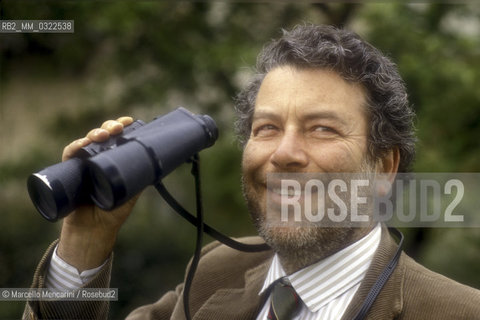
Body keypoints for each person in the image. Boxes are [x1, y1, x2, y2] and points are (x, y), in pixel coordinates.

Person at [24, 24, 480, 320]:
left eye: (321, 129)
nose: (283, 154)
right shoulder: (213, 276)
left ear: (384, 167)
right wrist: (86, 240)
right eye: (267, 128)